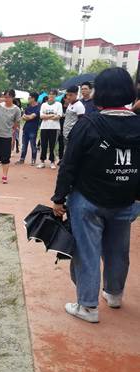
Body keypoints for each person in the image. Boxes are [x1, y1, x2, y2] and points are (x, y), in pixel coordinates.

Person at [51, 67, 140, 323]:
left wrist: (59, 198)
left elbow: (69, 164)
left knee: (87, 251)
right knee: (118, 249)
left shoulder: (88, 124)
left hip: (88, 200)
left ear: (100, 92)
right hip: (125, 199)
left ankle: (88, 306)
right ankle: (114, 293)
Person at [0, 89, 21, 184]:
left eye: (9, 97)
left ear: (13, 97)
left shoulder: (16, 110)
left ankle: (4, 176)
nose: (7, 99)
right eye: (5, 97)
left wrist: (12, 130)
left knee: (5, 157)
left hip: (7, 135)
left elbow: (16, 122)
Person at [38, 90, 63, 170]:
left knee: (52, 145)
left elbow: (58, 116)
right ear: (48, 95)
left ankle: (52, 161)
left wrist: (47, 116)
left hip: (54, 128)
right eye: (50, 94)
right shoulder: (44, 105)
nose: (51, 96)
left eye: (53, 94)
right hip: (44, 127)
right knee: (43, 145)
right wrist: (52, 115)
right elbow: (41, 116)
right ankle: (42, 161)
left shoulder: (58, 104)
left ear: (56, 96)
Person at [16, 92, 41, 165]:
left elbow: (31, 117)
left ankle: (33, 160)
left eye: (29, 97)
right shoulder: (28, 107)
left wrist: (28, 117)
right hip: (26, 128)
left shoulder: (38, 107)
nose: (28, 99)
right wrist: (28, 117)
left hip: (33, 129)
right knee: (24, 145)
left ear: (33, 98)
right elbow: (23, 117)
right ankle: (22, 159)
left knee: (33, 145)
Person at [62, 85, 85, 151]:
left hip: (73, 136)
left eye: (71, 95)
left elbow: (81, 123)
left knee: (70, 153)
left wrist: (75, 135)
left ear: (76, 94)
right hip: (66, 134)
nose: (68, 97)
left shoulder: (79, 106)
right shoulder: (70, 104)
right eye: (67, 95)